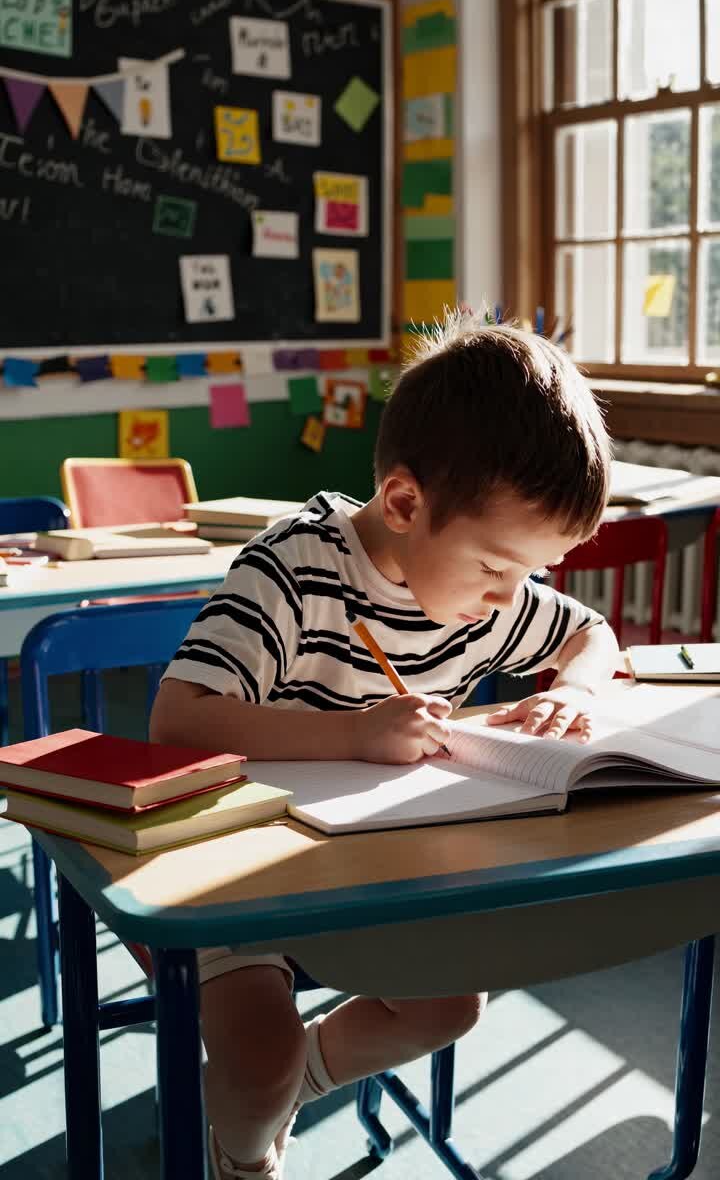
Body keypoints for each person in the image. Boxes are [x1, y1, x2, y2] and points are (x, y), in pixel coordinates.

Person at [150, 308, 618, 1179]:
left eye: (529, 575)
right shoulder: (293, 570)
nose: (506, 598)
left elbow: (591, 635)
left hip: (377, 866)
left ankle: (300, 1082)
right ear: (406, 502)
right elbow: (179, 718)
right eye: (496, 568)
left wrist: (577, 687)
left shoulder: (486, 596)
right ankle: (243, 1156)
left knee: (449, 1007)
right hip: (240, 862)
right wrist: (352, 734)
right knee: (256, 1053)